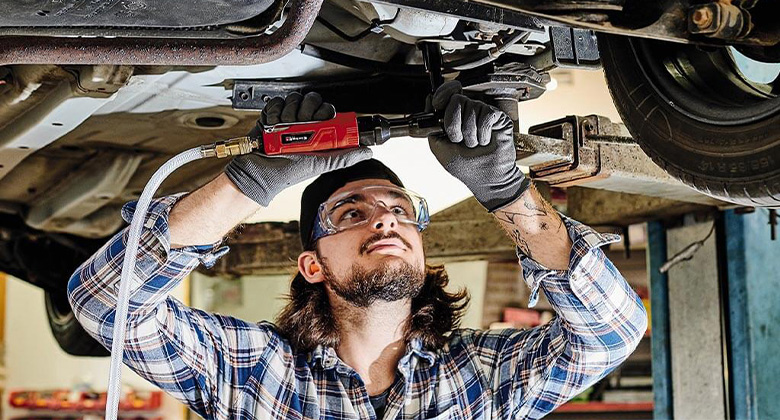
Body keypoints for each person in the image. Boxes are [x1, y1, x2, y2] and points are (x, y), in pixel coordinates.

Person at [68, 82, 647, 420]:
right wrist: (250, 183)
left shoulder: (483, 375)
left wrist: (506, 191)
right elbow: (103, 305)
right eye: (351, 213)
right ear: (312, 264)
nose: (384, 220)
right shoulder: (253, 371)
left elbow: (611, 334)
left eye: (398, 209)